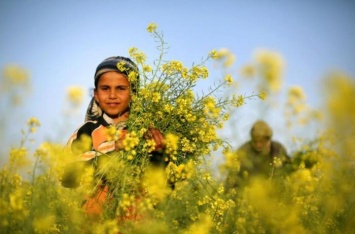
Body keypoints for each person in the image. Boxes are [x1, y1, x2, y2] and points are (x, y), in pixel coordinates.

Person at [61, 56, 166, 219]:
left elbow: (160, 191)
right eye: (105, 88)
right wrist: (112, 148)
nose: (112, 95)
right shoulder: (87, 130)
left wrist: (159, 155)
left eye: (121, 88)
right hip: (92, 224)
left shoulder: (147, 133)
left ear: (134, 93)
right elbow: (66, 176)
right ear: (95, 94)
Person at [225, 120, 290, 189]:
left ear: (269, 140)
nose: (258, 145)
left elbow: (290, 170)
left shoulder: (278, 149)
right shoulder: (243, 151)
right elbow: (232, 179)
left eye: (262, 141)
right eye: (255, 141)